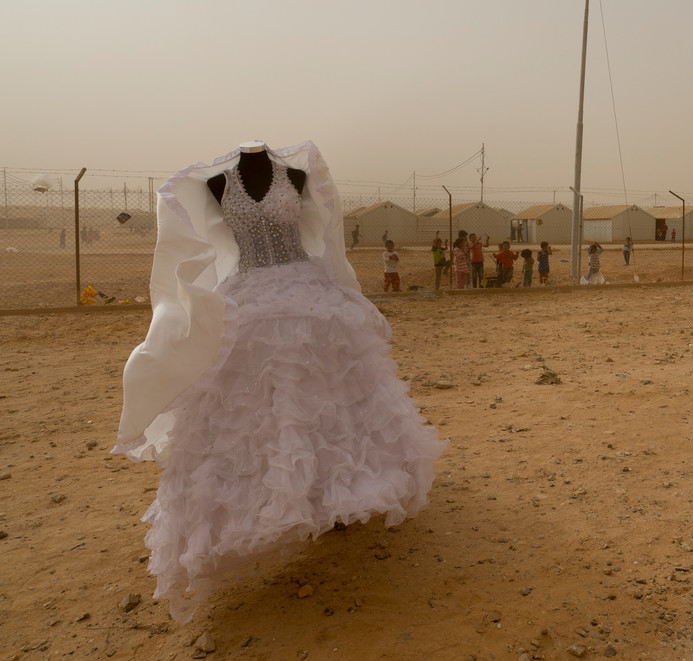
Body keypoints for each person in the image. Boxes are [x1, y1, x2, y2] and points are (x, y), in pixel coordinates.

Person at [113, 141, 445, 623]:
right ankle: (281, 503)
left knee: (329, 397)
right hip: (249, 296)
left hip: (308, 290)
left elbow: (326, 238)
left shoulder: (295, 172)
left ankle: (334, 495)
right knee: (261, 406)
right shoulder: (215, 182)